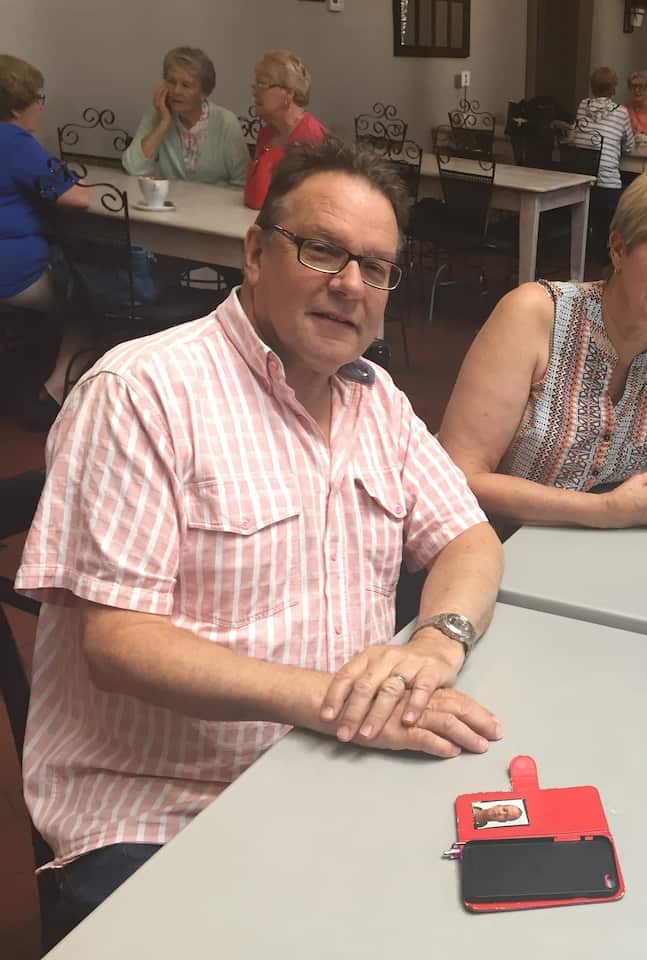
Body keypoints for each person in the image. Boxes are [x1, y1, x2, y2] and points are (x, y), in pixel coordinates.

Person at [17, 140, 504, 921]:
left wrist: (437, 643)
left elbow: (468, 539)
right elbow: (119, 644)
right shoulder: (141, 394)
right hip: (164, 812)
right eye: (322, 251)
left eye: (375, 267)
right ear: (254, 253)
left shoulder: (375, 399)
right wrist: (339, 704)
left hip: (333, 766)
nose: (350, 285)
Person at [438, 165, 647, 534]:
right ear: (619, 249)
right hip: (486, 538)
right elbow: (460, 475)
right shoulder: (534, 315)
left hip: (591, 544)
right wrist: (604, 510)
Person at [0, 54, 92, 428]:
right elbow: (77, 198)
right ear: (18, 106)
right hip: (14, 276)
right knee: (92, 296)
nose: (41, 106)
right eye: (39, 98)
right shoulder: (16, 142)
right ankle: (55, 391)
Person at [122, 46, 248, 186]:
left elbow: (243, 182)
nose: (176, 91)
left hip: (216, 200)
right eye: (171, 82)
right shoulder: (158, 114)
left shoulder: (226, 122)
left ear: (204, 92)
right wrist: (163, 123)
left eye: (186, 85)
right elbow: (133, 168)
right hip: (169, 199)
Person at [243, 50, 327, 210]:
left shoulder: (314, 138)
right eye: (255, 85)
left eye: (262, 85)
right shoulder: (266, 134)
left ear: (288, 94)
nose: (255, 91)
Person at [572, 66, 635, 252]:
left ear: (592, 87)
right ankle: (609, 249)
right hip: (607, 186)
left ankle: (588, 245)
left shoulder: (583, 106)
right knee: (631, 193)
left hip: (581, 183)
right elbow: (629, 147)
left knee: (593, 211)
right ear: (613, 88)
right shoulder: (621, 112)